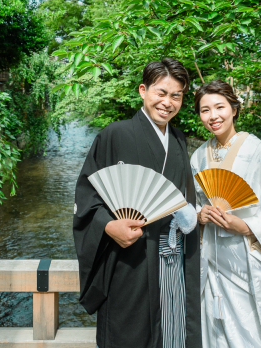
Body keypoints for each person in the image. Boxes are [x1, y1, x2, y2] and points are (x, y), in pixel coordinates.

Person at [73, 58, 202, 348]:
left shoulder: (178, 139)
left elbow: (182, 197)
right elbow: (86, 196)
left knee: (172, 331)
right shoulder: (114, 135)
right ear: (143, 90)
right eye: (161, 92)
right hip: (129, 258)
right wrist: (108, 226)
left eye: (176, 95)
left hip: (172, 256)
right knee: (128, 333)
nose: (167, 102)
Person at [191, 80, 261, 348]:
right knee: (215, 332)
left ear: (234, 108)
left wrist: (248, 226)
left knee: (252, 333)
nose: (213, 116)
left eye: (219, 107)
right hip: (213, 261)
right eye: (204, 110)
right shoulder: (198, 157)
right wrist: (199, 214)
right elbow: (189, 203)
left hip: (248, 259)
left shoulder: (259, 151)